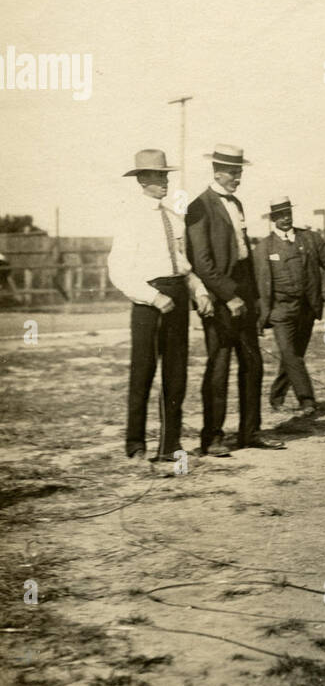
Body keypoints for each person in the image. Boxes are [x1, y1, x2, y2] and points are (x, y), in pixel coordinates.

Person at [108, 149, 211, 464]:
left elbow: (183, 265)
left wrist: (200, 291)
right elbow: (118, 270)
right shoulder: (130, 218)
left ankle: (170, 444)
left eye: (165, 174)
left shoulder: (173, 218)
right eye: (156, 175)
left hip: (178, 298)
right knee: (143, 373)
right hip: (149, 300)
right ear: (141, 179)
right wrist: (153, 298)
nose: (164, 181)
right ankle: (136, 444)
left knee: (176, 374)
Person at [185, 144, 285, 456]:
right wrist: (229, 297)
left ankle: (250, 432)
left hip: (243, 292)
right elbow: (202, 263)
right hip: (219, 297)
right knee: (219, 365)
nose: (237, 178)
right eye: (232, 172)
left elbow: (242, 254)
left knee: (252, 364)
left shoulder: (237, 203)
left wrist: (253, 301)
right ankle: (212, 438)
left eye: (240, 171)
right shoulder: (198, 207)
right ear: (216, 171)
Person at [253, 196, 325, 415]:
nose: (285, 218)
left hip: (307, 309)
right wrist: (258, 316)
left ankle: (277, 396)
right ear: (273, 218)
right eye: (280, 215)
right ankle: (307, 400)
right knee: (290, 354)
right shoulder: (264, 247)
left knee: (293, 354)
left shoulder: (310, 239)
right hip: (280, 311)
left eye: (288, 214)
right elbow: (257, 284)